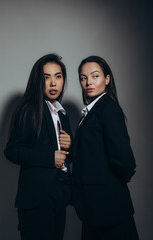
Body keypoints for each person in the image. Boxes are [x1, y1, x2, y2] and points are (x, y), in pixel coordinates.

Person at [4, 53, 72, 240]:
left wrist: (70, 147)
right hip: (36, 202)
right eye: (46, 77)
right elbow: (12, 151)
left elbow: (64, 157)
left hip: (59, 199)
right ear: (38, 81)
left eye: (58, 76)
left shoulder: (62, 114)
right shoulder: (29, 109)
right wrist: (50, 158)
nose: (53, 83)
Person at [71, 56, 139, 240]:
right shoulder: (92, 111)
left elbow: (124, 159)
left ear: (107, 79)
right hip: (94, 208)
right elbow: (92, 152)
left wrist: (120, 176)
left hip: (109, 209)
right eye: (83, 78)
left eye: (94, 76)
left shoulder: (108, 109)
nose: (88, 82)